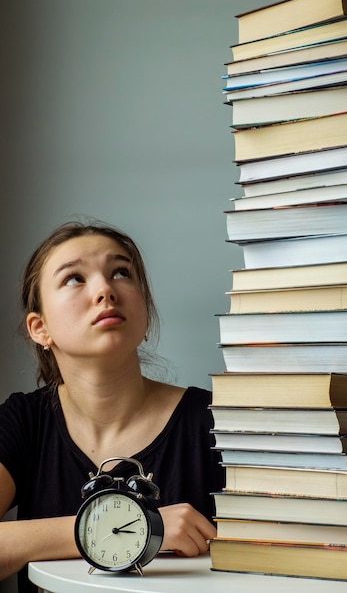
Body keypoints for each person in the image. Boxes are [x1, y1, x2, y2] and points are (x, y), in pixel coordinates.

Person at [0, 220, 224, 593]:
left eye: (121, 272)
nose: (105, 289)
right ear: (40, 328)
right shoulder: (22, 422)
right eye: (74, 278)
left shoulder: (214, 422)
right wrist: (134, 529)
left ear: (146, 312)